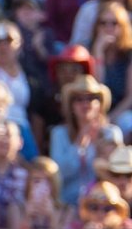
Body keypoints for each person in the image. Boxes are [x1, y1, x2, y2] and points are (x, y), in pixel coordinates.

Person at [51, 75, 121, 204]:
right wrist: (79, 143)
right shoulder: (59, 134)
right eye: (79, 99)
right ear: (71, 106)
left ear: (100, 104)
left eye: (91, 98)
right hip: (69, 203)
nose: (85, 103)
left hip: (104, 204)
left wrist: (101, 150)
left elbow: (118, 172)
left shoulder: (111, 133)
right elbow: (58, 175)